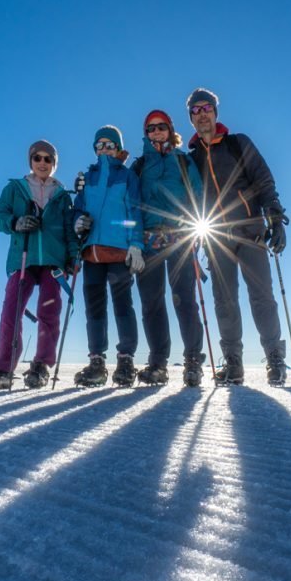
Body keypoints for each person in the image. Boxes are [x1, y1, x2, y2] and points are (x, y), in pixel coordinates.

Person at [186, 87, 290, 386]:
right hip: (215, 237)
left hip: (250, 230)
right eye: (196, 110)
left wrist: (274, 212)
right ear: (191, 119)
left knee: (262, 298)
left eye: (206, 108)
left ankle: (274, 359)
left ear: (215, 112)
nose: (202, 114)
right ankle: (233, 363)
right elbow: (190, 200)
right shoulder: (191, 158)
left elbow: (263, 177)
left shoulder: (237, 143)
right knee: (224, 301)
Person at [0, 140, 78, 390]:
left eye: (48, 159)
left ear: (54, 164)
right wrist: (16, 222)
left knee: (49, 312)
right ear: (31, 161)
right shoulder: (16, 188)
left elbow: (70, 231)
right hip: (23, 258)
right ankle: (3, 366)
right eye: (38, 158)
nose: (42, 163)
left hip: (53, 263)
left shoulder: (63, 196)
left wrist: (73, 258)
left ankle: (41, 366)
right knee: (11, 311)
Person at [130, 109, 207, 386]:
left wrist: (198, 229)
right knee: (151, 304)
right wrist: (133, 243)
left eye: (161, 127)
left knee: (184, 300)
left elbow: (198, 196)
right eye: (151, 128)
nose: (156, 132)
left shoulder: (184, 162)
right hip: (148, 244)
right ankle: (158, 363)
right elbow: (130, 205)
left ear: (170, 129)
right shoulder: (139, 168)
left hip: (180, 240)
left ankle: (193, 361)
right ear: (146, 133)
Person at [71, 125, 145, 387]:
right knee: (94, 307)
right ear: (95, 149)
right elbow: (77, 209)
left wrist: (136, 244)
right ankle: (97, 361)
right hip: (91, 252)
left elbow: (135, 211)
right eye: (100, 145)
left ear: (117, 147)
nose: (104, 149)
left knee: (122, 304)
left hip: (119, 250)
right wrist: (78, 221)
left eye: (109, 144)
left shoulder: (126, 176)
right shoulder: (87, 177)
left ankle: (126, 360)